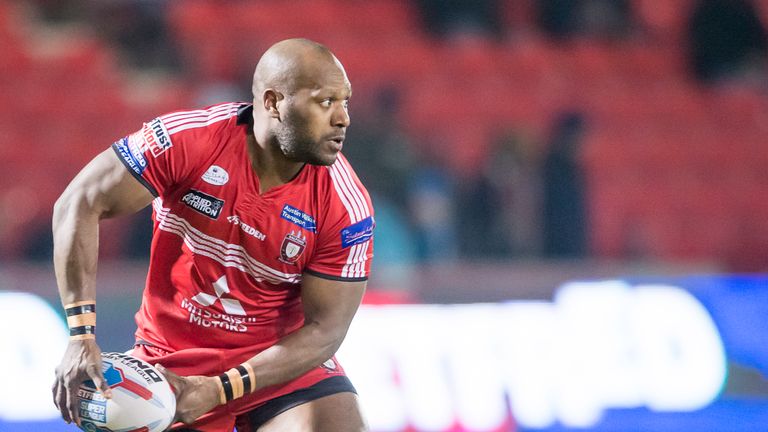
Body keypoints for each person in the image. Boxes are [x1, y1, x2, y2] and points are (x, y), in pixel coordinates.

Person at [51, 38, 374, 432]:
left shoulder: (346, 205)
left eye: (345, 102)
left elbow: (326, 331)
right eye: (326, 102)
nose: (343, 118)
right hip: (171, 365)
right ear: (273, 102)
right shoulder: (190, 140)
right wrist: (81, 336)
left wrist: (222, 387)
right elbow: (79, 202)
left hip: (278, 366)